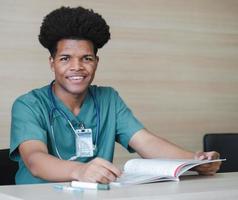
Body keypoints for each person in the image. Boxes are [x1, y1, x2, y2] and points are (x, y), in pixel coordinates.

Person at [10, 6, 221, 184]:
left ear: (96, 62)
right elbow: (35, 160)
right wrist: (79, 171)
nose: (77, 67)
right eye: (65, 58)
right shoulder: (29, 104)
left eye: (86, 58)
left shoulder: (108, 99)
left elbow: (146, 142)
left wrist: (194, 160)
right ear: (52, 62)